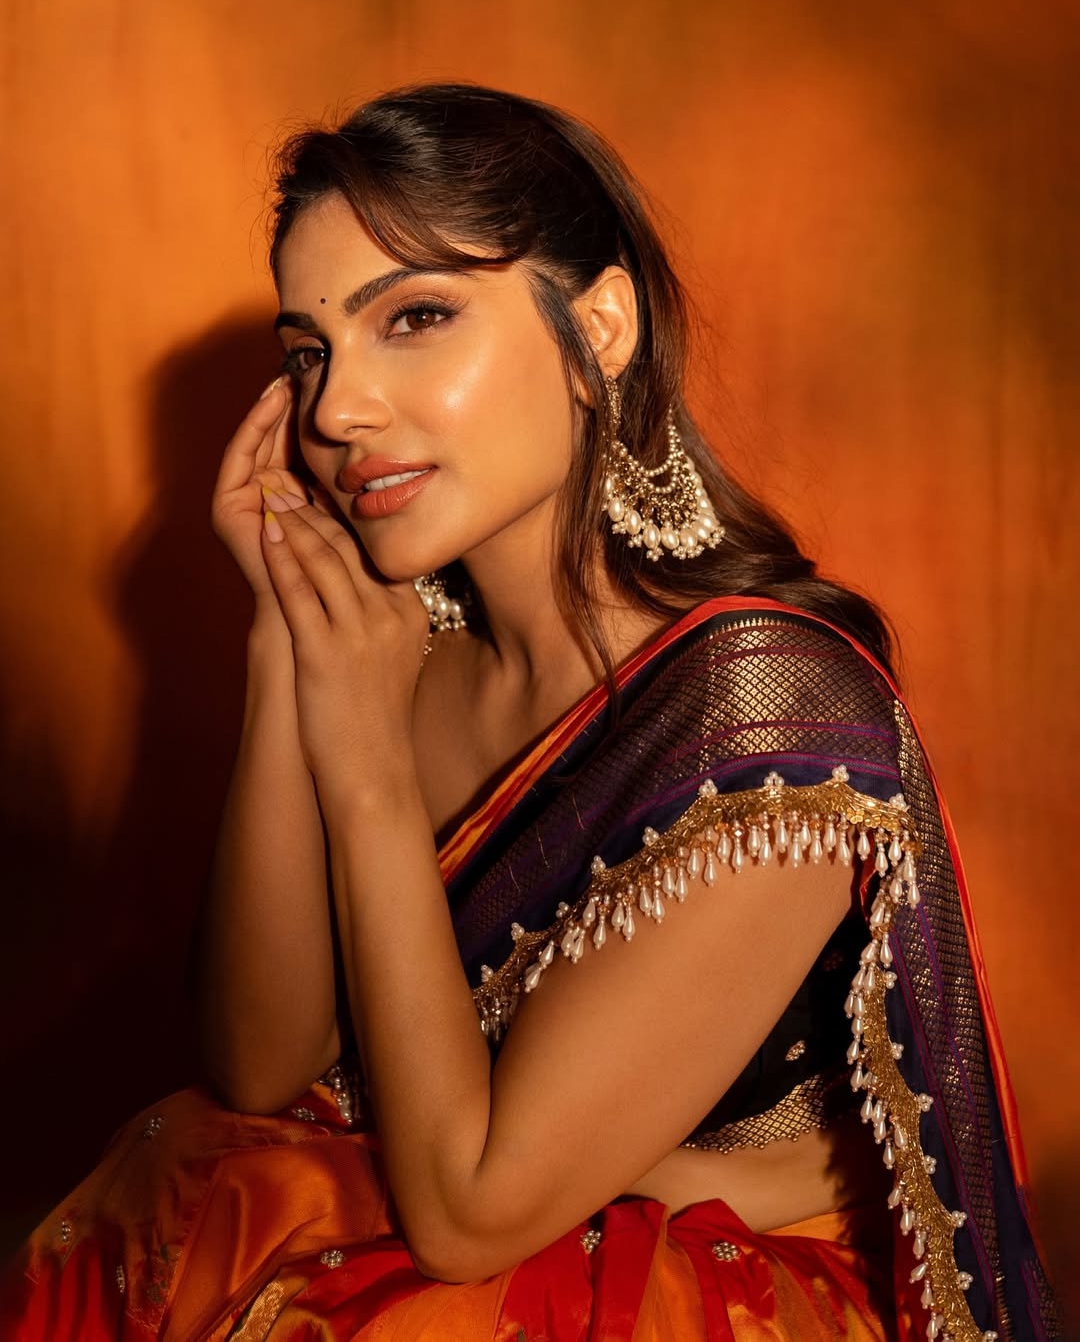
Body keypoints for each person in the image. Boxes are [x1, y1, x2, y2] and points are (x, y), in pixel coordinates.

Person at [0, 83, 1059, 1341]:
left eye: (416, 317)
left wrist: (368, 771)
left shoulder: (764, 714)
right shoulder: (403, 653)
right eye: (309, 352)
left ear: (598, 329)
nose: (336, 409)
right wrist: (289, 635)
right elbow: (259, 1066)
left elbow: (467, 1213)